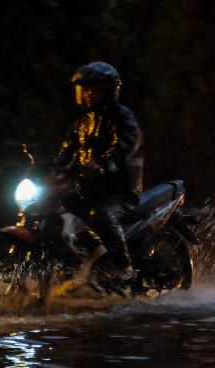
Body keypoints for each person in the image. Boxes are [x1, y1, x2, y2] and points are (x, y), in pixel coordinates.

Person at [51, 62, 143, 283]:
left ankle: (124, 266)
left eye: (92, 88)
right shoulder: (82, 124)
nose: (86, 93)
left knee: (101, 214)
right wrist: (48, 169)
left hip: (120, 190)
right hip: (89, 189)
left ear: (108, 89)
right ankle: (81, 258)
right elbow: (65, 152)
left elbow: (125, 146)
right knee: (56, 207)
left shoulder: (123, 117)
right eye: (83, 89)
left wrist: (101, 163)